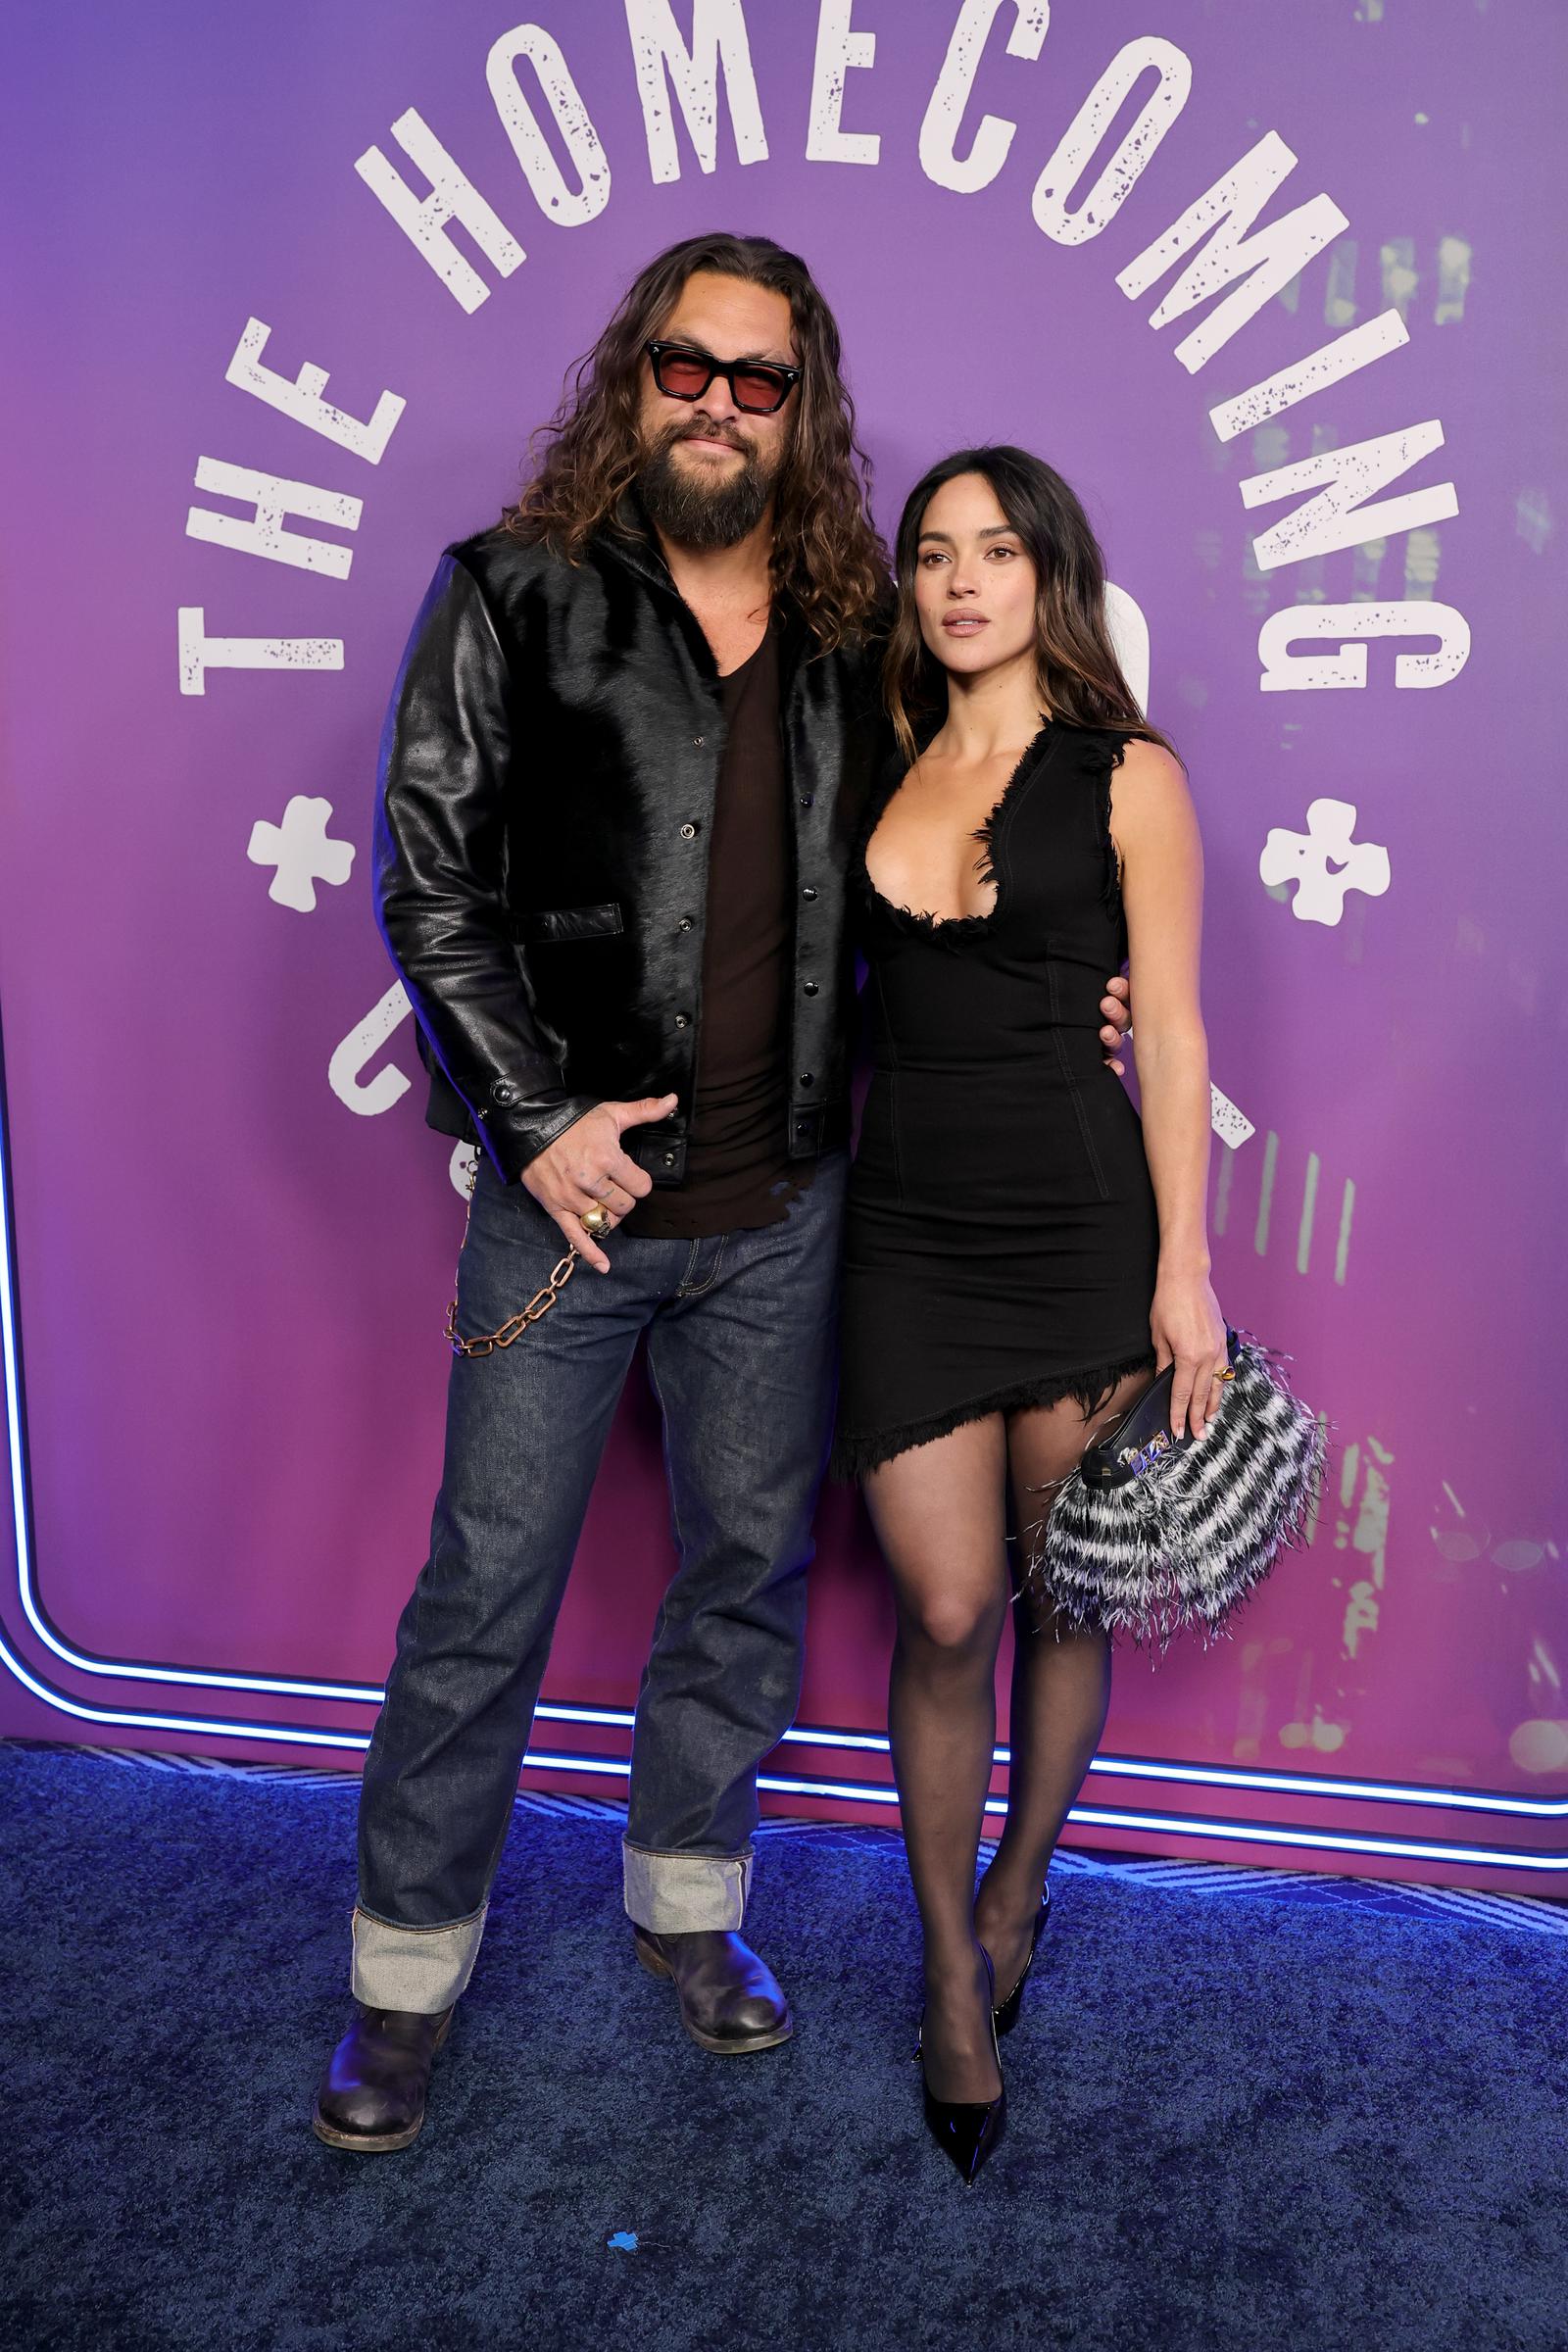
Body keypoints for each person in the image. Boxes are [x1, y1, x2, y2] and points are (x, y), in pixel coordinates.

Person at [312, 234, 1132, 2155]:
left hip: (786, 1217)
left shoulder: (859, 631)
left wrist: (1077, 959)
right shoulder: (510, 595)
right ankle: (401, 1986)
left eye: (757, 381)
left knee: (738, 1581)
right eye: (686, 365)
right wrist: (530, 1118)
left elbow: (968, 836)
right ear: (637, 375)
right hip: (570, 1212)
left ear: (799, 410)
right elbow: (426, 879)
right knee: (481, 1603)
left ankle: (690, 1913)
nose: (714, 402)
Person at [833, 447, 1227, 2182]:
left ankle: (1016, 1890)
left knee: (1066, 1598)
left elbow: (1184, 1038)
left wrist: (1185, 1270)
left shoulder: (1132, 776)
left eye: (996, 551)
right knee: (944, 1600)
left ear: (1051, 573)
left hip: (1083, 1232)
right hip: (907, 1232)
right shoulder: (874, 758)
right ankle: (946, 1970)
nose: (961, 581)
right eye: (933, 555)